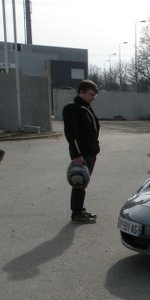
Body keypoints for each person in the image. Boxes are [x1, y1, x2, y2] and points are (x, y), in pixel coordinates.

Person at [63, 80, 101, 224]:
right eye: (91, 94)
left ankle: (79, 209)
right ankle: (77, 214)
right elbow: (71, 135)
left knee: (82, 184)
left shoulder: (85, 107)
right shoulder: (73, 108)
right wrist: (77, 155)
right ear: (81, 92)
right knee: (79, 183)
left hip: (89, 153)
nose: (93, 98)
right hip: (82, 154)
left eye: (94, 95)